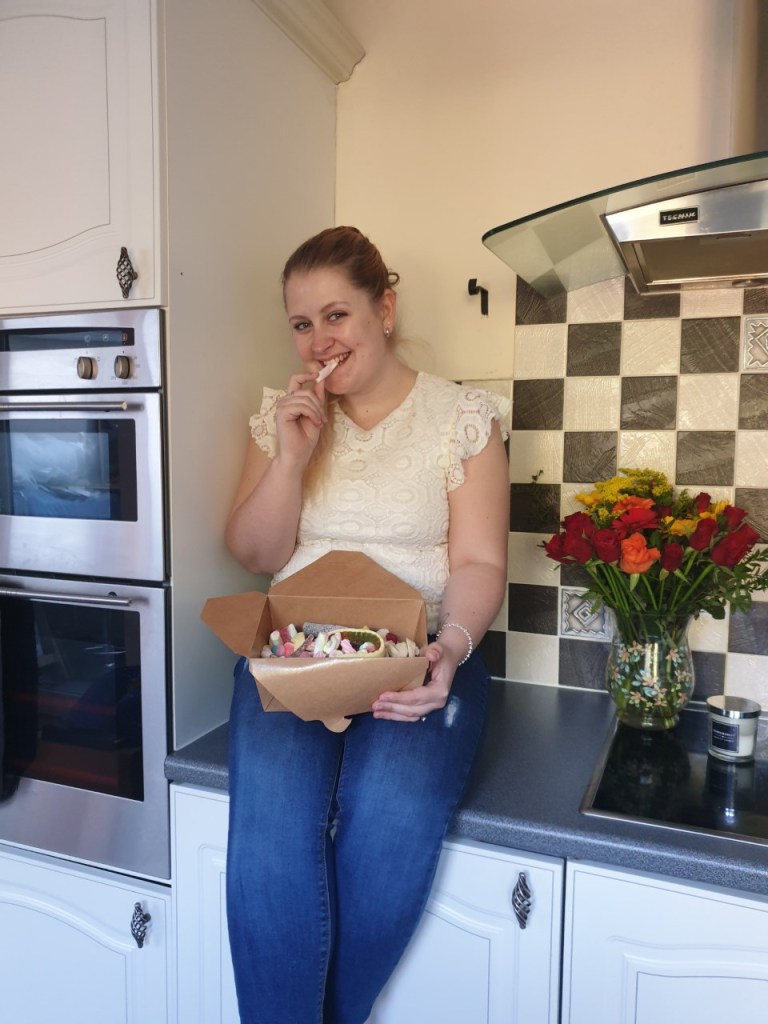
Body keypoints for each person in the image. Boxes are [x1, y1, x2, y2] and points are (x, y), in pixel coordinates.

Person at [224, 226, 510, 1024]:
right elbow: (254, 554)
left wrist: (449, 650)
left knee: (388, 832)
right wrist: (289, 457)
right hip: (291, 655)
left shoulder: (463, 417)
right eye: (301, 323)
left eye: (337, 315)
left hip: (423, 656)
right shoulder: (280, 417)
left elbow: (481, 565)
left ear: (384, 309)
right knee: (270, 845)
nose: (320, 340)